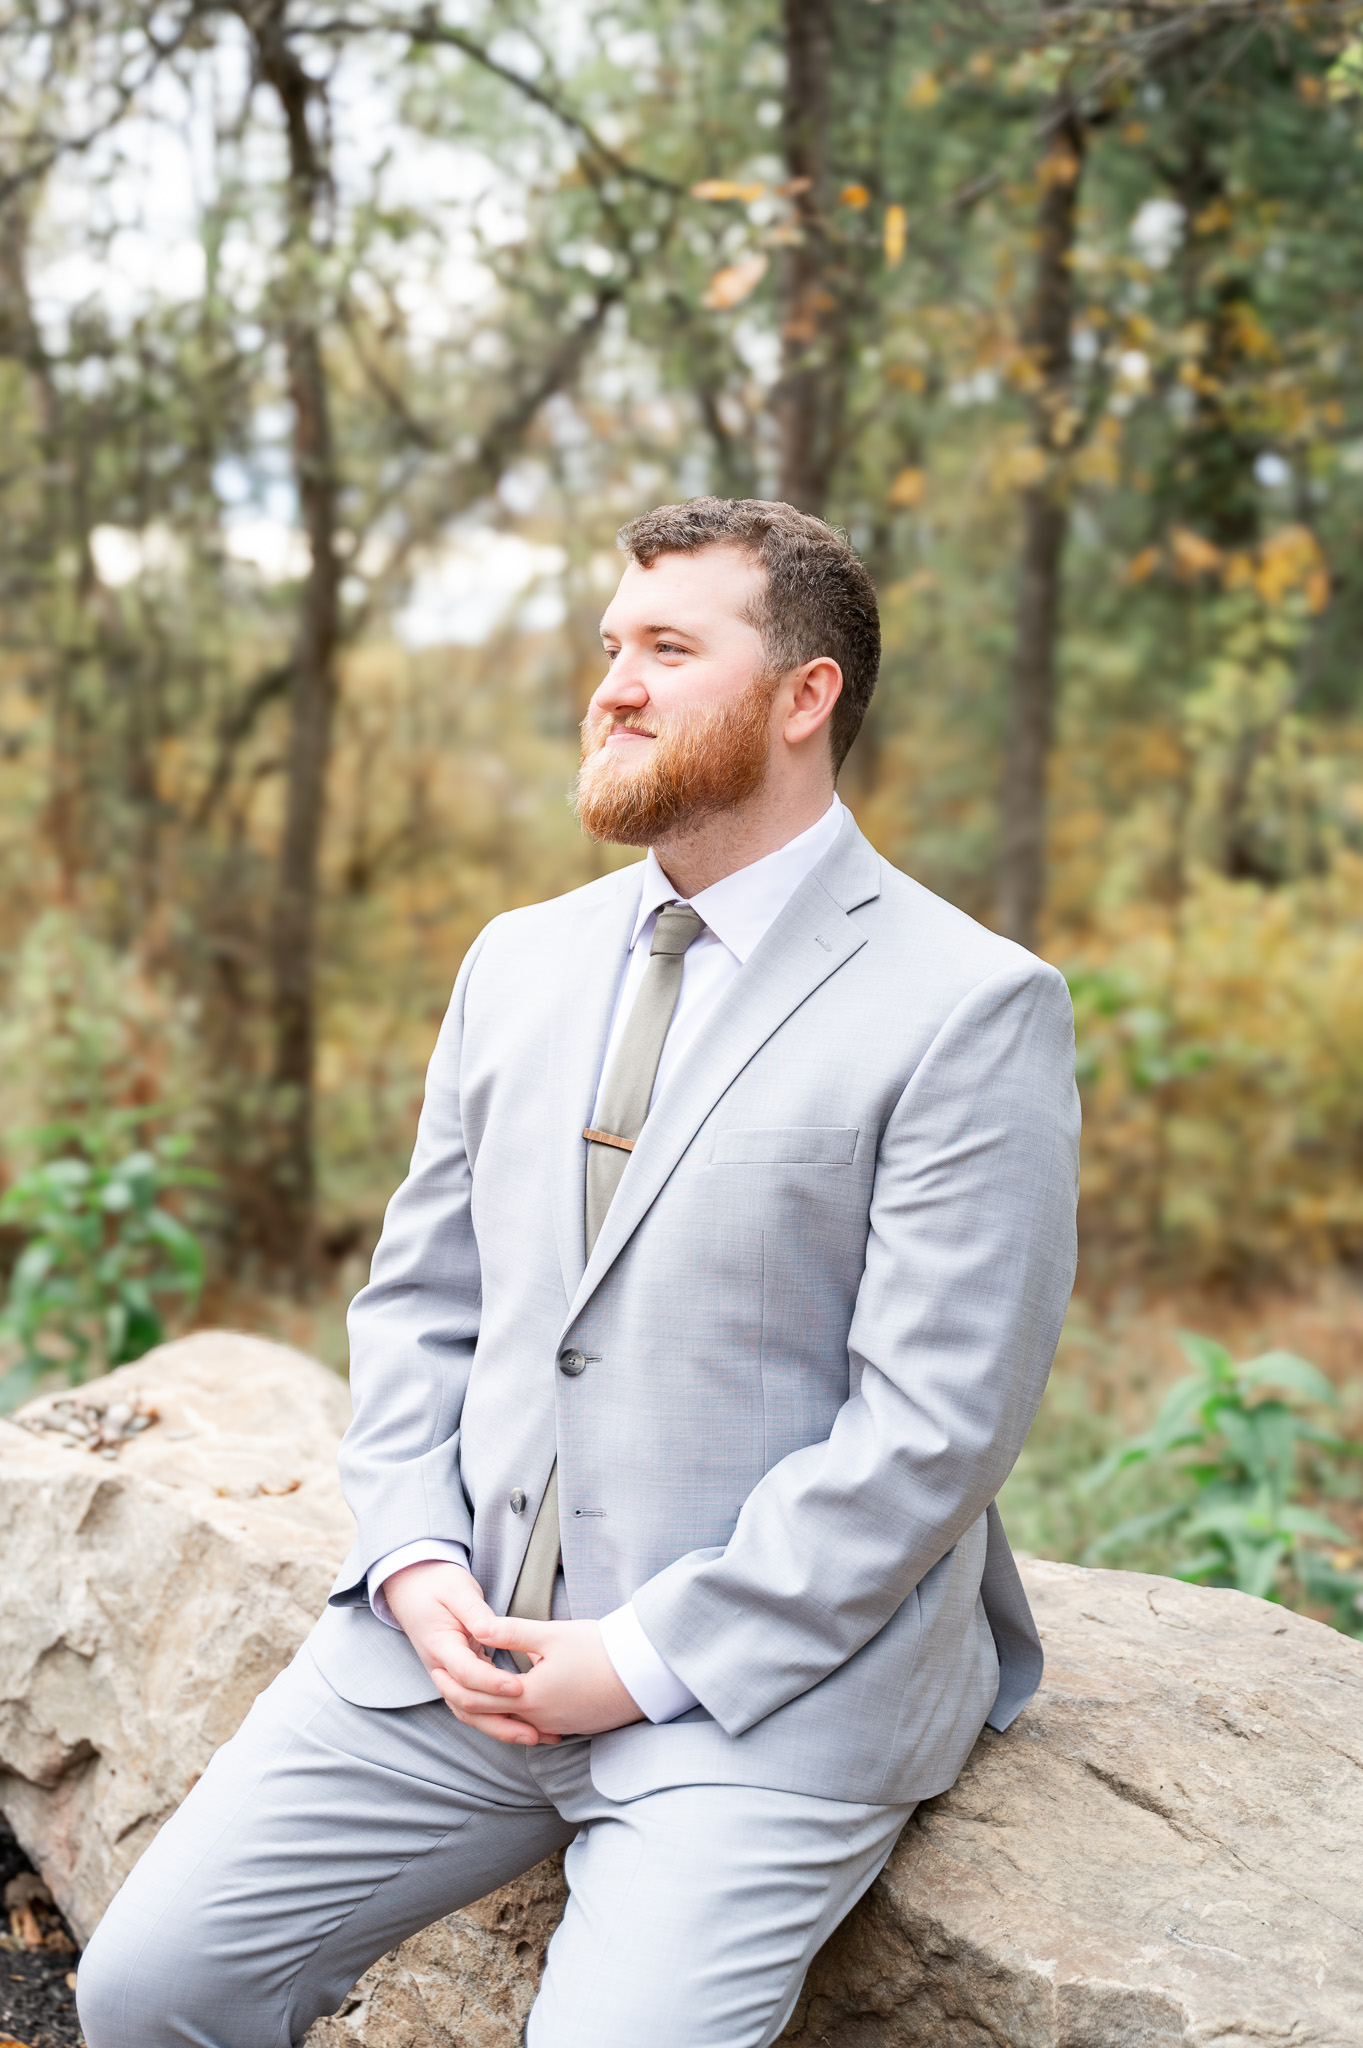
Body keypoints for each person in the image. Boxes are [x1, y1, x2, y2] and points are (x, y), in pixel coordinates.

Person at [78, 496, 1079, 2048]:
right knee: (145, 1994)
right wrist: (412, 1560)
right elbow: (418, 1304)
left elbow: (937, 1428)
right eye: (612, 643)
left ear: (805, 698)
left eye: (669, 648)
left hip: (760, 1699)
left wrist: (637, 1658)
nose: (612, 682)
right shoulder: (518, 960)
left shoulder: (971, 1007)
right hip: (446, 1660)